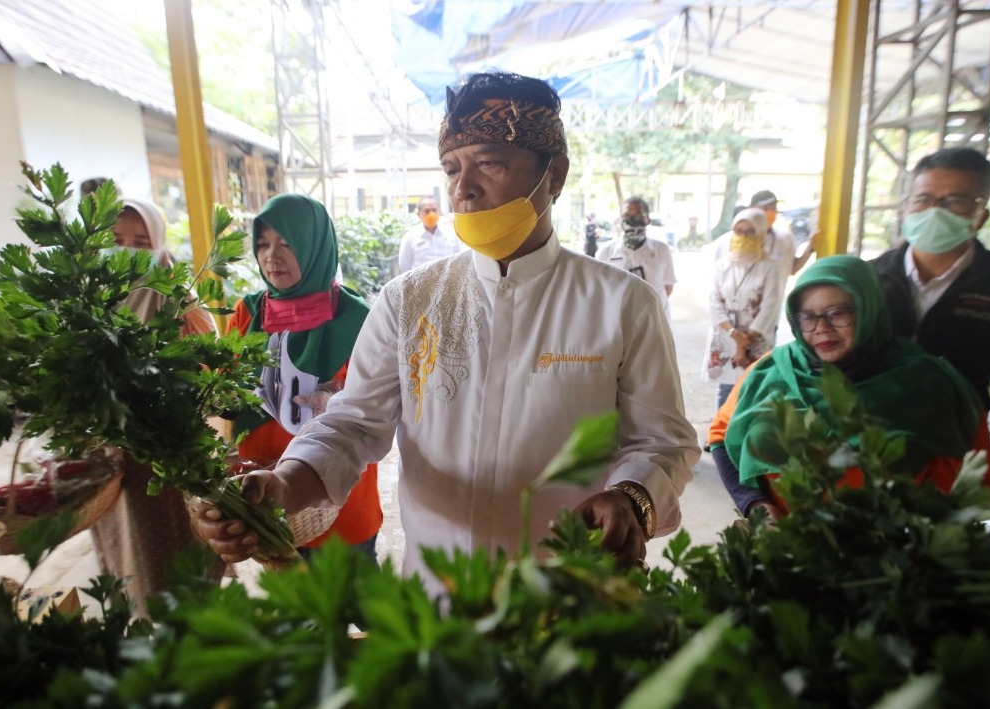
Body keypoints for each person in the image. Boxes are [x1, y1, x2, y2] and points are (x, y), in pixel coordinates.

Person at [192, 71, 699, 594]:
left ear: (555, 175)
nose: (463, 187)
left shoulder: (622, 304)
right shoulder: (409, 300)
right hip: (438, 604)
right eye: (453, 168)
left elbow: (662, 441)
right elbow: (352, 423)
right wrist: (283, 483)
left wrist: (632, 497)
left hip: (569, 598)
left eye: (490, 163)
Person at [708, 255, 990, 520]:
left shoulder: (930, 383)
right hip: (781, 545)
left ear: (870, 308)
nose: (821, 328)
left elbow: (973, 480)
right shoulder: (769, 371)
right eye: (807, 316)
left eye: (838, 313)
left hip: (895, 556)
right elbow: (721, 436)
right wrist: (755, 506)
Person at [227, 193, 383, 560]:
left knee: (357, 599)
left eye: (287, 242)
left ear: (314, 246)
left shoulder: (357, 319)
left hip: (336, 502)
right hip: (262, 494)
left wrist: (334, 398)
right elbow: (224, 385)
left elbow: (371, 409)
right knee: (297, 607)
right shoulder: (247, 313)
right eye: (263, 244)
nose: (272, 256)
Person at [90, 197, 220, 616]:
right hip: (112, 454)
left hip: (167, 454)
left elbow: (213, 359)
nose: (126, 250)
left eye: (141, 241)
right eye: (116, 239)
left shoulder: (177, 295)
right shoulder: (92, 296)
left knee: (172, 554)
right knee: (126, 555)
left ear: (158, 243)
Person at [872, 147, 990, 410]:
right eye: (922, 199)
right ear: (906, 208)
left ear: (981, 216)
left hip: (958, 441)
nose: (934, 212)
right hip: (864, 436)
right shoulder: (866, 277)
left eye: (955, 201)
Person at [702, 208, 784, 409]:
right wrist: (734, 335)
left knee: (753, 386)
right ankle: (720, 437)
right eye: (739, 231)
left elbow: (770, 305)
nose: (743, 236)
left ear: (761, 234)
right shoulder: (722, 265)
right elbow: (714, 302)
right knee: (726, 390)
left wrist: (745, 342)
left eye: (750, 231)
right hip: (726, 333)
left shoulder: (771, 266)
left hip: (755, 336)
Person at [595, 197, 677, 319]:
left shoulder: (661, 249)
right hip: (619, 320)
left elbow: (668, 287)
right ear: (621, 220)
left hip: (656, 319)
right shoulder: (606, 251)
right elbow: (600, 289)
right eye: (627, 216)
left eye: (638, 215)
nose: (632, 221)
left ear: (647, 219)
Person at [397, 196, 462, 273]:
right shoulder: (410, 237)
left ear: (439, 212)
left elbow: (458, 260)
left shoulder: (451, 234)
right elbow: (404, 266)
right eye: (427, 211)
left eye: (434, 210)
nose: (431, 214)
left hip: (447, 282)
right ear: (419, 214)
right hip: (420, 283)